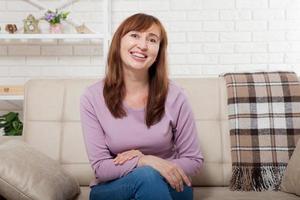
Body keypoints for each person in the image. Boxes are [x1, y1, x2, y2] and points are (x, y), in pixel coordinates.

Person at [80, 13, 204, 200]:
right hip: (114, 187)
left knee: (150, 179)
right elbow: (101, 168)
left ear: (158, 51)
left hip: (170, 184)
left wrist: (156, 166)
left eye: (152, 40)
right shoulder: (92, 97)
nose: (143, 45)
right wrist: (144, 160)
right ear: (118, 42)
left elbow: (193, 160)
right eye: (135, 35)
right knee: (146, 177)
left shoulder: (176, 95)